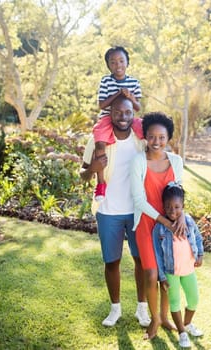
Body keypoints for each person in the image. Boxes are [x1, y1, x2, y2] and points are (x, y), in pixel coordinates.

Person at [80, 94, 150, 328]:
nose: (123, 117)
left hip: (137, 211)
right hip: (108, 210)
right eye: (118, 112)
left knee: (141, 261)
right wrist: (93, 168)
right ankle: (115, 309)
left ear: (134, 113)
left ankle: (142, 309)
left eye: (128, 112)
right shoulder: (97, 139)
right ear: (110, 114)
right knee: (112, 262)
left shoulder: (141, 139)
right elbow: (82, 176)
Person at [130, 112, 187, 340]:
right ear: (145, 137)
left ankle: (164, 317)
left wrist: (180, 218)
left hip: (170, 227)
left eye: (162, 137)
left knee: (169, 275)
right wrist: (165, 221)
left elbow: (179, 194)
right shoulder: (138, 161)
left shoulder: (176, 161)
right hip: (146, 224)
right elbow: (138, 200)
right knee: (152, 274)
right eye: (152, 137)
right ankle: (154, 319)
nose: (156, 142)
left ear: (168, 138)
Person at [153, 182, 204, 348]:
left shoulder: (188, 221)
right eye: (168, 207)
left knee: (194, 299)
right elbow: (158, 254)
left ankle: (187, 324)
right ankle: (181, 332)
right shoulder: (159, 229)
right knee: (174, 302)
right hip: (170, 272)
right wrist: (161, 277)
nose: (172, 211)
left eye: (176, 207)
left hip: (188, 269)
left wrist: (201, 254)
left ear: (183, 206)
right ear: (163, 206)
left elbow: (197, 237)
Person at [93, 46, 143, 202]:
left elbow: (138, 107)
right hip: (108, 117)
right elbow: (102, 105)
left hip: (128, 117)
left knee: (147, 132)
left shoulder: (134, 82)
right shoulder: (106, 81)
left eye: (121, 61)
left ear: (127, 62)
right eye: (113, 62)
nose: (118, 65)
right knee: (100, 144)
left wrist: (130, 97)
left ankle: (146, 175)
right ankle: (101, 184)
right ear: (108, 65)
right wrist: (118, 94)